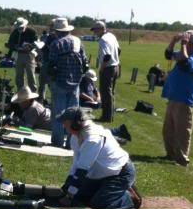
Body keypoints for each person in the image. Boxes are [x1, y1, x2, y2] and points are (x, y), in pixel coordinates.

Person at [57, 107, 141, 209]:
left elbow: (82, 170)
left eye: (66, 122)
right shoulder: (76, 136)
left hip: (120, 173)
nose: (63, 125)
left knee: (99, 205)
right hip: (101, 174)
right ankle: (111, 191)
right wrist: (67, 186)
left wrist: (69, 196)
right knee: (80, 197)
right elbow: (76, 164)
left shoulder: (93, 138)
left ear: (75, 123)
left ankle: (129, 197)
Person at [161, 30, 193, 166]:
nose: (182, 42)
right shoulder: (185, 51)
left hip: (184, 99)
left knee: (182, 131)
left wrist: (183, 46)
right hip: (174, 97)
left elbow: (185, 64)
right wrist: (173, 41)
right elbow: (168, 55)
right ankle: (170, 155)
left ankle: (181, 159)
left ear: (192, 43)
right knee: (168, 130)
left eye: (185, 41)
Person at [48, 17, 88, 147]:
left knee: (59, 114)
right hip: (75, 82)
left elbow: (51, 65)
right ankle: (72, 143)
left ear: (57, 31)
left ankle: (57, 142)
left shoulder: (56, 44)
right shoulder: (77, 41)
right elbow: (85, 63)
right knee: (74, 116)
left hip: (60, 82)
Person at [90, 20, 120, 122]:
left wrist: (102, 68)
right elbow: (119, 50)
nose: (94, 33)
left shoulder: (103, 39)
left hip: (108, 68)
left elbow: (107, 56)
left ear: (102, 29)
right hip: (115, 66)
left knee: (106, 93)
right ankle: (110, 116)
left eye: (96, 30)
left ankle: (106, 117)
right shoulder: (111, 36)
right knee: (110, 92)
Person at [6, 17, 39, 91]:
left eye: (21, 27)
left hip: (29, 55)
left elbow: (37, 42)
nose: (19, 29)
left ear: (25, 25)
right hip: (19, 55)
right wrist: (15, 46)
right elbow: (10, 43)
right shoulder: (15, 32)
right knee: (19, 76)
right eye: (18, 28)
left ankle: (33, 92)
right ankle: (20, 92)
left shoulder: (32, 31)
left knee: (30, 75)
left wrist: (30, 46)